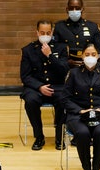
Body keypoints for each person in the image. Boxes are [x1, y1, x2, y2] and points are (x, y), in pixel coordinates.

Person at [62, 44, 100, 170]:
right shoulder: (73, 73)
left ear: (98, 55)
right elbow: (65, 98)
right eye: (87, 54)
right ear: (82, 56)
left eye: (93, 54)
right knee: (82, 133)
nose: (90, 57)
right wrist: (80, 111)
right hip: (78, 114)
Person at [19, 20, 69, 150]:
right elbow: (25, 76)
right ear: (37, 33)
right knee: (30, 100)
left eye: (48, 32)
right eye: (42, 33)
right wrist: (39, 87)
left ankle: (59, 137)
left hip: (57, 86)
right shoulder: (28, 50)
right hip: (36, 88)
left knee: (63, 100)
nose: (45, 35)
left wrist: (50, 56)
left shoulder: (61, 48)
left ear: (52, 32)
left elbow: (64, 70)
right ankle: (39, 136)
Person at [54, 0, 100, 68]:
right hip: (66, 67)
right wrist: (65, 62)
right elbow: (54, 49)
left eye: (77, 8)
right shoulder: (59, 27)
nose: (74, 10)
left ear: (82, 9)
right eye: (71, 8)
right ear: (67, 9)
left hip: (89, 67)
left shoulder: (93, 27)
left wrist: (91, 60)